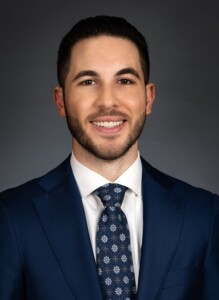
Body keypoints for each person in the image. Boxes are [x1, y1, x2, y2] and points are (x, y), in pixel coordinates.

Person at [0, 15, 218, 300]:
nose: (107, 101)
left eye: (125, 80)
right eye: (88, 81)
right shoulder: (12, 217)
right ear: (60, 100)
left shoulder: (205, 215)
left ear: (149, 98)